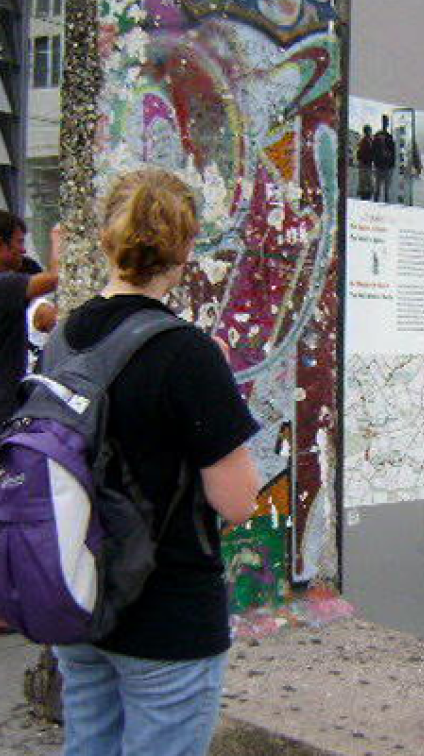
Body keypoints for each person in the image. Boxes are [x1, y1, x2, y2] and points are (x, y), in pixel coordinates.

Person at [53, 168, 262, 756]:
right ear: (186, 248)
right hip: (165, 612)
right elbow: (238, 501)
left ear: (106, 238)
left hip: (79, 594)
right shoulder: (188, 354)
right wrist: (218, 384)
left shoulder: (64, 337)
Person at [0, 212, 59, 420]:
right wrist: (58, 240)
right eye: (19, 242)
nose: (23, 249)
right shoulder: (5, 286)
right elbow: (53, 279)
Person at [372, 115, 397, 203]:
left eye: (386, 122)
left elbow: (392, 151)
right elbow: (393, 152)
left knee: (381, 189)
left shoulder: (381, 135)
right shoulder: (386, 136)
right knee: (381, 189)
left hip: (383, 166)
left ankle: (379, 205)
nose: (385, 123)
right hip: (383, 166)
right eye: (385, 122)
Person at [355, 125, 375, 200]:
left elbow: (358, 153)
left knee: (364, 181)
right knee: (367, 181)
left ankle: (364, 195)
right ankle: (366, 195)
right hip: (367, 164)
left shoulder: (363, 141)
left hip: (363, 164)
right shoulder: (368, 141)